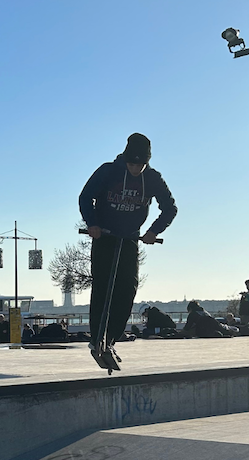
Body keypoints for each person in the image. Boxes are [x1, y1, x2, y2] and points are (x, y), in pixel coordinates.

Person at [79, 133, 177, 363]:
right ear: (125, 159)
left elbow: (170, 208)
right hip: (105, 237)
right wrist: (92, 223)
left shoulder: (153, 178)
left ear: (147, 162)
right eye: (131, 163)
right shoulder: (108, 171)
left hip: (130, 239)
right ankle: (97, 339)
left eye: (140, 164)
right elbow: (85, 197)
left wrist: (154, 231)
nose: (135, 168)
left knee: (127, 290)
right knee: (103, 288)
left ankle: (111, 339)